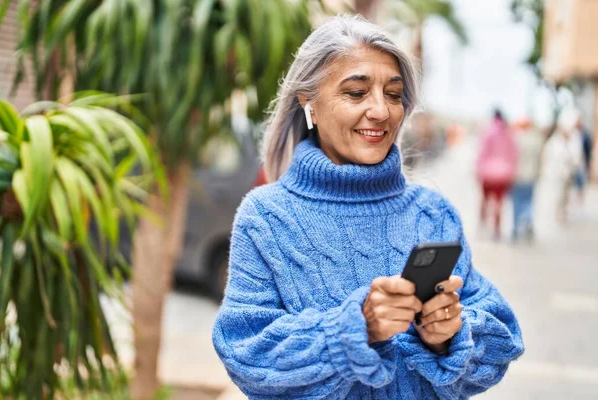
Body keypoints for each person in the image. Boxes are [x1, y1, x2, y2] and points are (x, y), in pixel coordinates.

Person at [212, 15, 524, 400]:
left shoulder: (433, 212)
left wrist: (450, 334)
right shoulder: (266, 216)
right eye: (357, 93)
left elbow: (502, 340)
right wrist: (356, 329)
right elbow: (246, 353)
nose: (381, 110)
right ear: (308, 101)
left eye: (393, 94)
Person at [476, 109, 518, 239]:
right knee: (499, 203)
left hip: (487, 173)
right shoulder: (509, 134)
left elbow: (482, 152)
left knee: (485, 200)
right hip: (503, 174)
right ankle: (496, 229)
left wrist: (478, 170)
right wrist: (511, 173)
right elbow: (513, 155)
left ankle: (482, 224)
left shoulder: (488, 131)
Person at [510, 118, 543, 242]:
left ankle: (515, 228)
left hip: (517, 177)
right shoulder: (536, 140)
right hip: (531, 176)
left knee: (516, 204)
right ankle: (528, 221)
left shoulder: (516, 139)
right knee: (528, 202)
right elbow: (540, 159)